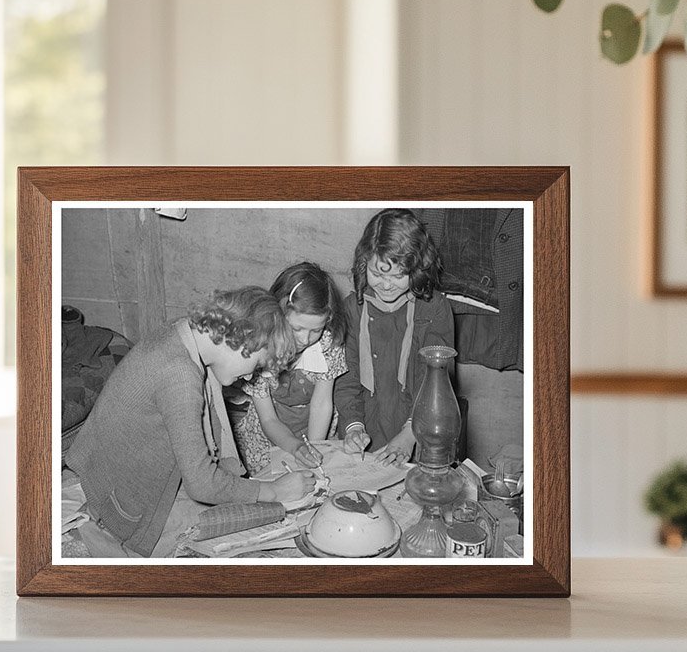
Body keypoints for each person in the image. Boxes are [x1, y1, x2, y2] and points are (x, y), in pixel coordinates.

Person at [71, 287, 316, 557]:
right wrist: (273, 490)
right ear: (245, 342)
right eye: (256, 366)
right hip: (115, 504)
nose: (248, 378)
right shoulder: (180, 376)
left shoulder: (182, 332)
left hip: (102, 474)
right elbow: (201, 484)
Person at [334, 208, 455, 466]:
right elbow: (347, 378)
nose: (386, 285)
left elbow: (437, 385)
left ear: (418, 268)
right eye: (377, 274)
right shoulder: (353, 308)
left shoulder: (434, 309)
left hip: (421, 430)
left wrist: (411, 433)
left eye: (398, 276)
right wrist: (353, 427)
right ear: (363, 263)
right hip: (368, 425)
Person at [232, 262, 347, 475]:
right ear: (278, 313)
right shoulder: (260, 347)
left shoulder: (328, 346)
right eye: (297, 328)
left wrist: (313, 448)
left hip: (314, 428)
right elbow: (268, 419)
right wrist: (295, 446)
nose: (305, 339)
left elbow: (321, 404)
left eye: (316, 330)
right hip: (268, 433)